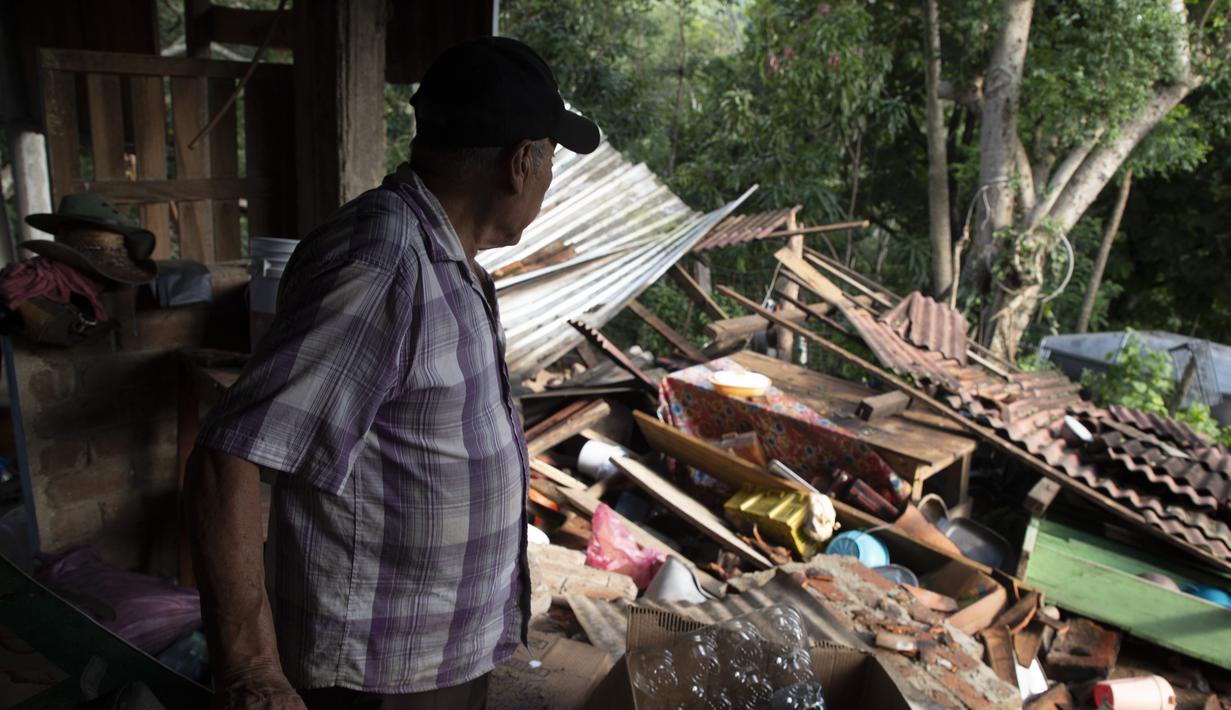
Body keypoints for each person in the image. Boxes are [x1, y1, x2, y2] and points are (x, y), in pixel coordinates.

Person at [185, 37, 600, 710]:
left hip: (434, 654)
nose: (547, 177)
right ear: (521, 163)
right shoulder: (386, 263)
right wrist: (251, 670)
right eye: (550, 157)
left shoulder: (444, 257)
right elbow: (228, 455)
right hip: (377, 676)